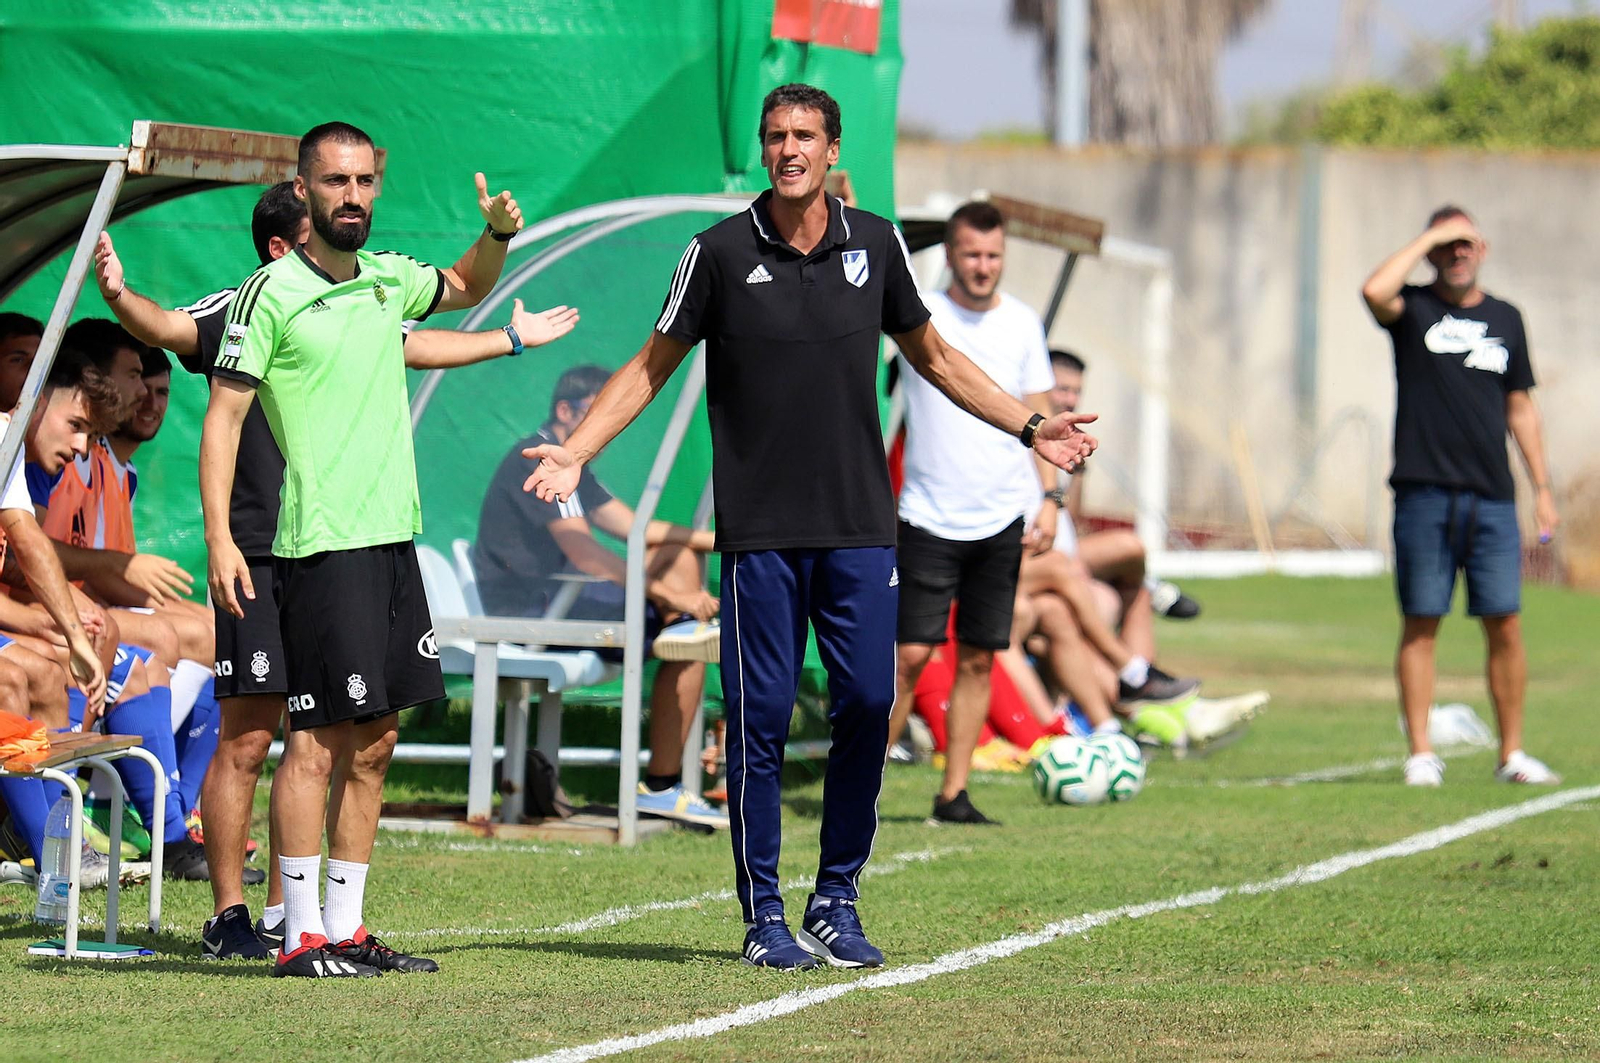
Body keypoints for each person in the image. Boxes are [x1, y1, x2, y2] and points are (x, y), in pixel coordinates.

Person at [524, 84, 1097, 970]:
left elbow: (938, 358)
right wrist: (576, 449)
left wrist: (1031, 425)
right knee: (759, 719)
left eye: (805, 135)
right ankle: (763, 916)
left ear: (832, 150)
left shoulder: (876, 245)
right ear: (766, 149)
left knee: (870, 698)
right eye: (776, 135)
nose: (789, 148)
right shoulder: (715, 252)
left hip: (862, 528)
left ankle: (836, 897)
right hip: (759, 536)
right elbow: (650, 366)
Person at [96, 179, 574, 959]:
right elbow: (172, 328)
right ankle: (233, 915)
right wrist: (120, 298)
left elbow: (417, 335)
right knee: (256, 736)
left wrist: (509, 335)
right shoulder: (253, 300)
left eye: (363, 185)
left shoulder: (369, 291)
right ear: (289, 242)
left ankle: (315, 918)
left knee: (363, 732)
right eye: (332, 193)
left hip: (359, 542)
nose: (351, 203)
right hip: (263, 545)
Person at [1361, 205, 1559, 787]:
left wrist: (1542, 489)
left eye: (1465, 242)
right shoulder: (1413, 309)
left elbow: (1520, 406)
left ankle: (1512, 754)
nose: (1456, 253)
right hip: (1423, 495)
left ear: (1483, 248)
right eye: (1445, 246)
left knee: (1505, 623)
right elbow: (1374, 289)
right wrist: (1429, 234)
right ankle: (1421, 753)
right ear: (1429, 253)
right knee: (1422, 622)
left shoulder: (1508, 317)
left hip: (1493, 498)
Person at [475, 364, 724, 826]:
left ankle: (664, 782)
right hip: (532, 610)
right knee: (683, 616)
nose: (609, 427)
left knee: (680, 561)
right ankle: (662, 784)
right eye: (599, 414)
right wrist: (675, 596)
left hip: (557, 600)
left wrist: (723, 540)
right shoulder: (544, 458)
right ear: (566, 411)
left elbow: (639, 529)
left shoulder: (573, 463)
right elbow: (587, 555)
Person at [0, 350, 113, 884]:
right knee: (8, 680)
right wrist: (58, 627)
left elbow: (26, 538)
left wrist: (74, 638)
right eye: (76, 426)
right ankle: (53, 857)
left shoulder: (4, 441)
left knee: (51, 670)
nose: (81, 448)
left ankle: (58, 835)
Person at [1046, 348, 1199, 626]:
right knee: (1127, 550)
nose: (1072, 400)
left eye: (1077, 391)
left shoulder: (1069, 435)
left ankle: (1140, 664)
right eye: (1063, 389)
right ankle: (1150, 595)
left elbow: (1072, 520)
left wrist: (1078, 469)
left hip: (1065, 549)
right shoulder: (1026, 435)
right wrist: (1052, 495)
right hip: (1039, 557)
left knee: (1128, 578)